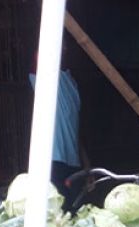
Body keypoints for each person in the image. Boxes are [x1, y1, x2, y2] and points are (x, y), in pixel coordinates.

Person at [30, 42, 84, 204]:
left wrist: (87, 166)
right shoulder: (41, 78)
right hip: (52, 160)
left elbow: (76, 130)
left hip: (73, 162)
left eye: (65, 46)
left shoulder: (71, 83)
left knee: (73, 212)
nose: (63, 50)